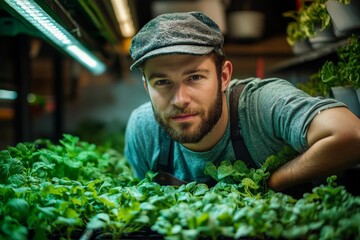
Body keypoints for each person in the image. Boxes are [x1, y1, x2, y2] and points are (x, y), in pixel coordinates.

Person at [124, 11, 360, 192]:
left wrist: (272, 182)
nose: (180, 99)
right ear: (147, 86)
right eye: (162, 82)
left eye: (195, 77)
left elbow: (351, 135)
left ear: (224, 76)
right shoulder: (144, 130)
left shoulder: (261, 105)